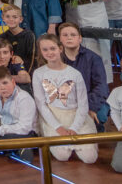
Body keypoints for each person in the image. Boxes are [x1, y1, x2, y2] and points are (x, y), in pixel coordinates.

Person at [33, 33, 98, 163]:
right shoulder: (38, 73)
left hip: (75, 115)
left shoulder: (75, 74)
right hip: (53, 116)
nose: (49, 53)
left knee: (90, 158)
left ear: (60, 49)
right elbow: (41, 104)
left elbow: (83, 104)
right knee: (62, 156)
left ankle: (80, 143)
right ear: (40, 51)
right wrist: (58, 127)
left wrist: (74, 128)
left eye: (52, 48)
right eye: (45, 50)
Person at [0, 5, 36, 76]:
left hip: (26, 73)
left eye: (15, 17)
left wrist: (27, 76)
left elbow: (33, 59)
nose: (11, 19)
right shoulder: (2, 37)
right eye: (7, 17)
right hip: (8, 74)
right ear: (3, 18)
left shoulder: (29, 35)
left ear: (21, 19)